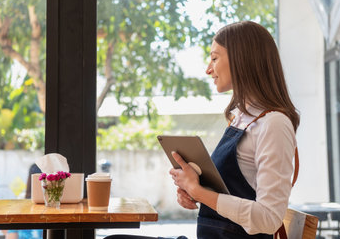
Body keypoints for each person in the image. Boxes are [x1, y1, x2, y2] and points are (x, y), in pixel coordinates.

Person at [105, 21, 299, 239]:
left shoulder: (273, 124)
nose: (208, 69)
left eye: (214, 58)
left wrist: (200, 192)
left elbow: (269, 218)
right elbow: (231, 195)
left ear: (241, 59)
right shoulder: (241, 119)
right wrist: (194, 192)